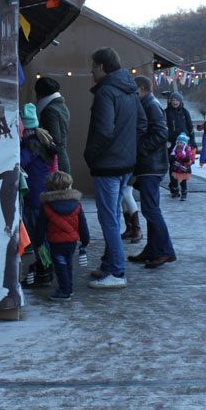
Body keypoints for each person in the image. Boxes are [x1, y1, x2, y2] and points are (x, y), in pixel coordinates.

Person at [83, 46, 146, 289]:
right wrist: (128, 147)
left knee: (109, 218)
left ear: (100, 66)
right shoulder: (130, 89)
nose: (90, 70)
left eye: (93, 65)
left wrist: (90, 155)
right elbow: (141, 123)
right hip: (126, 164)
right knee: (114, 215)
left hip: (107, 165)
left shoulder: (105, 92)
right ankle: (109, 265)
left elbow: (104, 131)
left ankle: (117, 272)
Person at [129, 76, 176, 269]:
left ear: (141, 88)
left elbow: (160, 133)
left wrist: (141, 149)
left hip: (152, 165)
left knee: (150, 209)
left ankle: (165, 250)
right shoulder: (149, 104)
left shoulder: (150, 105)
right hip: (150, 165)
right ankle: (152, 249)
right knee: (150, 208)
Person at [30, 171, 91, 301]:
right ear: (69, 186)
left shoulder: (47, 207)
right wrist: (85, 240)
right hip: (72, 242)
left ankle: (65, 290)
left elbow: (40, 227)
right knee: (68, 264)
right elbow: (83, 225)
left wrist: (38, 242)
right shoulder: (77, 205)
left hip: (56, 243)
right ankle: (69, 288)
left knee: (60, 266)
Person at [19, 103, 57, 234]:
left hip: (35, 191)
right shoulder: (41, 139)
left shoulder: (32, 143)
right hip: (42, 188)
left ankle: (42, 252)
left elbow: (21, 161)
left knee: (35, 228)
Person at [34, 76, 71, 173]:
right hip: (61, 158)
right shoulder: (61, 106)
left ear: (39, 94)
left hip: (55, 163)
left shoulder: (49, 111)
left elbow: (54, 138)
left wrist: (36, 133)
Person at [165, 92, 196, 197]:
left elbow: (190, 127)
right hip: (172, 143)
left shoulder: (184, 112)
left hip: (184, 143)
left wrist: (193, 141)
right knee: (173, 165)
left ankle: (183, 187)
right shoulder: (166, 112)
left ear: (180, 101)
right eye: (173, 100)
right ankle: (174, 186)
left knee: (183, 165)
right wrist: (167, 137)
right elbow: (164, 127)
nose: (174, 102)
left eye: (176, 100)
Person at [169, 133, 195, 200]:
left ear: (184, 143)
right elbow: (171, 157)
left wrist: (185, 158)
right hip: (176, 168)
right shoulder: (174, 149)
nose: (179, 144)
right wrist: (172, 157)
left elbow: (190, 158)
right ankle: (176, 191)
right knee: (174, 181)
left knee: (183, 182)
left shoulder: (187, 149)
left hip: (183, 168)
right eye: (178, 142)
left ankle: (184, 193)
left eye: (181, 142)